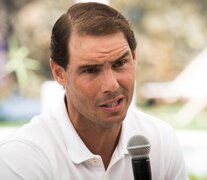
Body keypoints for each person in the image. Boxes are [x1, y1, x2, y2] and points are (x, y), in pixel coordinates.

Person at [0, 2, 188, 180]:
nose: (112, 85)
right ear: (59, 73)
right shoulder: (23, 157)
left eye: (120, 63)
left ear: (135, 58)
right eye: (91, 70)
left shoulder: (160, 141)